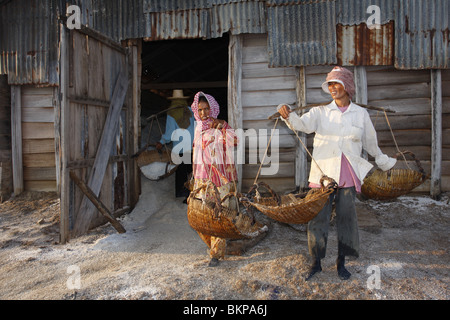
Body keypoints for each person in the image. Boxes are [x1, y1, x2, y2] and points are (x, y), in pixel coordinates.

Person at [278, 66, 397, 281]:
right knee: (318, 218)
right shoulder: (321, 112)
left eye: (337, 83)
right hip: (323, 175)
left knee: (347, 218)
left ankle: (342, 261)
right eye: (330, 84)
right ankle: (316, 262)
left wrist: (382, 160)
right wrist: (288, 114)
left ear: (347, 86)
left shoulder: (360, 114)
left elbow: (371, 143)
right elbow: (302, 125)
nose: (333, 87)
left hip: (348, 174)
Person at [191, 91, 238, 267]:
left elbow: (235, 141)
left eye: (207, 109)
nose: (204, 113)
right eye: (200, 109)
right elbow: (196, 154)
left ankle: (216, 254)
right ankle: (215, 245)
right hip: (202, 178)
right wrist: (195, 176)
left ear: (213, 108)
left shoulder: (220, 125)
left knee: (219, 214)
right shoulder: (197, 128)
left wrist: (224, 126)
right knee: (202, 215)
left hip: (220, 178)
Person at [156, 90, 195, 201]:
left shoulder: (172, 113)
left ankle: (184, 195)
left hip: (180, 148)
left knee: (181, 171)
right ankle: (193, 194)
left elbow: (169, 133)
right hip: (193, 146)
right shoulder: (190, 111)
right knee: (191, 171)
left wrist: (161, 142)